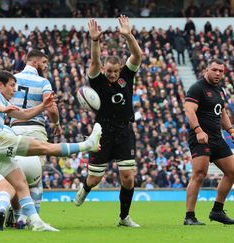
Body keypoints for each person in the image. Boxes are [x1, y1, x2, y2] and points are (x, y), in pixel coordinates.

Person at [0, 70, 102, 231]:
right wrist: (2, 109)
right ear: (0, 85)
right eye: (11, 85)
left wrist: (43, 106)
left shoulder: (3, 102)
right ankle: (87, 145)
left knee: (21, 183)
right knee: (45, 147)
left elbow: (24, 115)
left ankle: (36, 222)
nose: (14, 90)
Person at [73, 16, 142, 228]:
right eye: (109, 71)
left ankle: (124, 217)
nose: (112, 74)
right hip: (102, 133)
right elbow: (94, 62)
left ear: (120, 69)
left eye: (115, 71)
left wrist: (128, 35)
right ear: (104, 69)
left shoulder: (127, 77)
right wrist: (95, 41)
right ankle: (85, 188)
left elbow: (137, 54)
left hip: (123, 131)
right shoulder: (97, 79)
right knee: (94, 179)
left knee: (128, 177)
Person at [183, 59, 234, 225]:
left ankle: (217, 210)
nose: (218, 73)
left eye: (221, 71)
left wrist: (231, 131)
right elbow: (189, 110)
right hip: (201, 137)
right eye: (214, 70)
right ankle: (189, 216)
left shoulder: (219, 90)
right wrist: (198, 130)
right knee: (199, 174)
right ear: (206, 70)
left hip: (216, 137)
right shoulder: (197, 88)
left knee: (233, 171)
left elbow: (222, 112)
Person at [9, 49, 61, 226]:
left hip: (14, 131)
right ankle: (32, 218)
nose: (46, 66)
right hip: (36, 130)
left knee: (15, 175)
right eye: (44, 63)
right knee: (35, 176)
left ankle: (17, 215)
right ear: (35, 62)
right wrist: (56, 124)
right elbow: (52, 109)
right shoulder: (43, 81)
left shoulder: (12, 80)